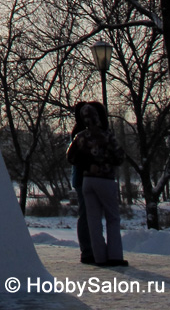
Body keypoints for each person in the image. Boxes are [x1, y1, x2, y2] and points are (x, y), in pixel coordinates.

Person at [66, 102, 127, 267]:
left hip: (87, 180)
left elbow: (70, 157)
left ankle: (97, 256)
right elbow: (120, 156)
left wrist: (85, 163)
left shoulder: (80, 136)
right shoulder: (106, 135)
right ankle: (114, 256)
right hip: (105, 179)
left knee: (92, 220)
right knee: (112, 218)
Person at [70, 103, 95, 264]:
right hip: (83, 177)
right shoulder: (81, 133)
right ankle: (87, 249)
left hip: (81, 178)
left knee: (86, 213)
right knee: (86, 214)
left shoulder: (77, 131)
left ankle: (89, 248)